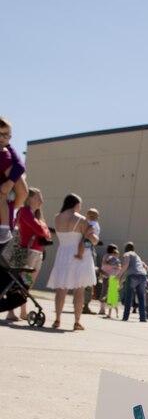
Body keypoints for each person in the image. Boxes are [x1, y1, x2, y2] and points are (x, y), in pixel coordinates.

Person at [47, 193, 99, 330]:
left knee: (61, 289)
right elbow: (92, 239)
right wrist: (95, 238)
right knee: (79, 289)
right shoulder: (80, 219)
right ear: (76, 204)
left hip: (63, 252)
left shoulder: (57, 218)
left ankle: (57, 320)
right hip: (77, 254)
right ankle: (77, 321)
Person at [9, 188, 53, 321]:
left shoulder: (36, 215)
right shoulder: (25, 212)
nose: (42, 201)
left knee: (28, 283)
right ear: (30, 198)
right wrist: (44, 230)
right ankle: (11, 310)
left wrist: (45, 231)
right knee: (20, 281)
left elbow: (48, 234)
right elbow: (41, 230)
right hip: (28, 252)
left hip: (38, 252)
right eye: (38, 198)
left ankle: (22, 310)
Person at [0, 117, 28, 248]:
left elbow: (22, 190)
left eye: (5, 135)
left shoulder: (5, 154)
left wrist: (9, 183)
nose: (2, 138)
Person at [119, 241, 148, 322]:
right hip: (143, 275)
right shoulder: (137, 256)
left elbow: (125, 265)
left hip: (132, 276)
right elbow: (146, 267)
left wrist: (118, 276)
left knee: (128, 296)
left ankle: (125, 317)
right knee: (141, 297)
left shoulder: (127, 254)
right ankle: (143, 318)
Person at [101, 244, 121, 318]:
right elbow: (105, 265)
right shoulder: (109, 258)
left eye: (116, 254)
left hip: (114, 279)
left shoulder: (117, 261)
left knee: (113, 297)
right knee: (111, 297)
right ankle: (110, 313)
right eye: (114, 254)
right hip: (112, 278)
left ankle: (115, 313)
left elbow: (119, 268)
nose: (115, 255)